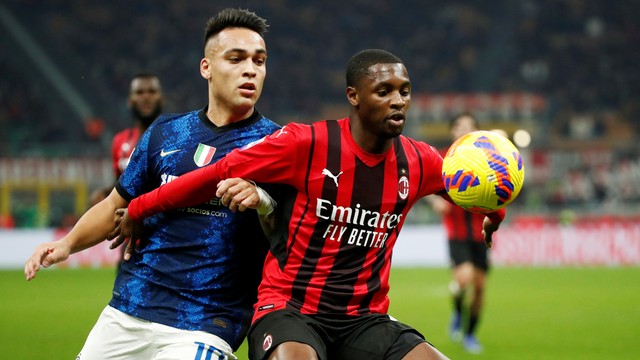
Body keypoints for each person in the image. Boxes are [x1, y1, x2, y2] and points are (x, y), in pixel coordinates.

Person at [116, 49, 507, 360]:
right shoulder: (307, 144)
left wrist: (494, 212)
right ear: (353, 96)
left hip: (364, 320)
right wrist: (138, 208)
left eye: (404, 90)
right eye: (384, 91)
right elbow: (214, 173)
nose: (398, 101)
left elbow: (470, 187)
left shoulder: (418, 161)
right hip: (290, 310)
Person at [24, 8, 281, 359]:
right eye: (236, 59)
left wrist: (263, 199)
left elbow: (289, 234)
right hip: (128, 310)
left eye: (259, 60)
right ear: (206, 67)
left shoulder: (278, 145)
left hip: (207, 320)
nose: (250, 69)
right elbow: (117, 202)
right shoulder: (166, 131)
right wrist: (68, 243)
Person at [427, 112, 491, 354]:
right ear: (452, 132)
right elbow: (427, 186)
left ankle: (471, 335)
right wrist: (436, 202)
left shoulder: (488, 159)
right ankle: (456, 310)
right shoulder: (443, 158)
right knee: (464, 278)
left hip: (481, 233)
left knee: (480, 288)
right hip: (456, 232)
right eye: (459, 127)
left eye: (469, 127)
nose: (463, 131)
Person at [112, 73, 164, 180]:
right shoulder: (119, 141)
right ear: (130, 101)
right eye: (139, 92)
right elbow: (119, 185)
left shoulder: (176, 138)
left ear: (161, 99)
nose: (146, 97)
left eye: (152, 91)